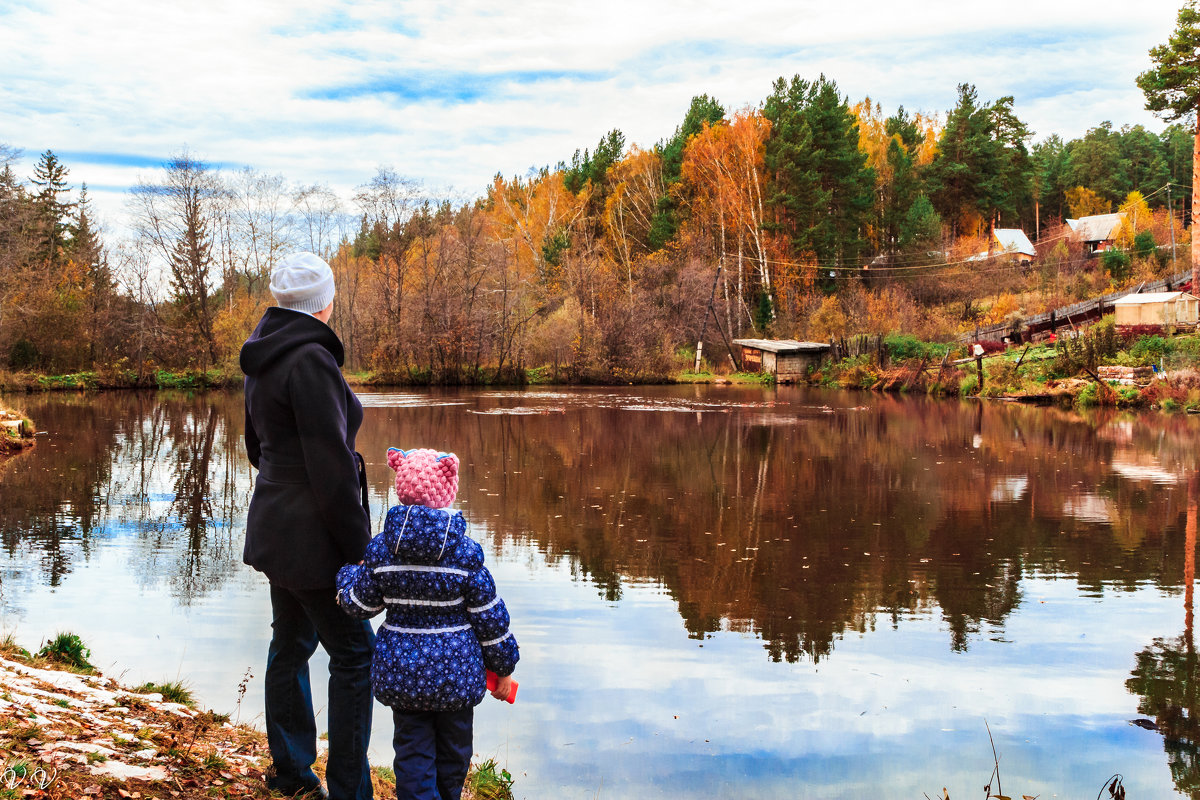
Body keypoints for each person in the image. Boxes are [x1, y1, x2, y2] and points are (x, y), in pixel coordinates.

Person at [241, 252, 375, 800]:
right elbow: (332, 467)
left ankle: (292, 773)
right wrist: (362, 551)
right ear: (326, 301)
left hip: (277, 527)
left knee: (291, 643)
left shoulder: (264, 354)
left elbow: (256, 448)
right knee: (354, 654)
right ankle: (348, 789)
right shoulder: (311, 359)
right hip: (313, 538)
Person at [336, 447, 519, 800]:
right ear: (447, 491)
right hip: (457, 674)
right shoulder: (465, 554)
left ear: (401, 488)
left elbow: (359, 605)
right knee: (454, 754)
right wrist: (504, 669)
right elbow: (491, 620)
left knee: (412, 753)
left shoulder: (382, 552)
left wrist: (347, 576)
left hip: (403, 674)